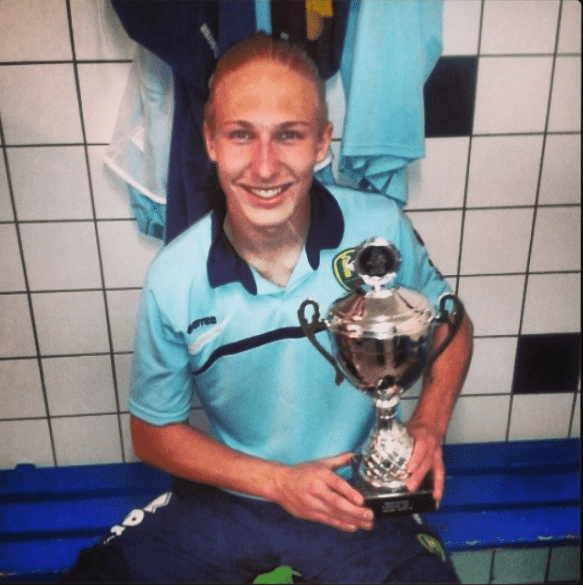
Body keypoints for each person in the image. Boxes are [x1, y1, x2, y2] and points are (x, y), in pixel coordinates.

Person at [63, 32, 473, 583]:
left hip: (357, 498)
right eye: (241, 135)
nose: (263, 166)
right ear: (210, 141)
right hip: (234, 497)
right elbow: (153, 432)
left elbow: (451, 324)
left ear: (322, 142)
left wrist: (428, 424)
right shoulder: (174, 278)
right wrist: (278, 482)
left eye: (288, 135)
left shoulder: (379, 231)